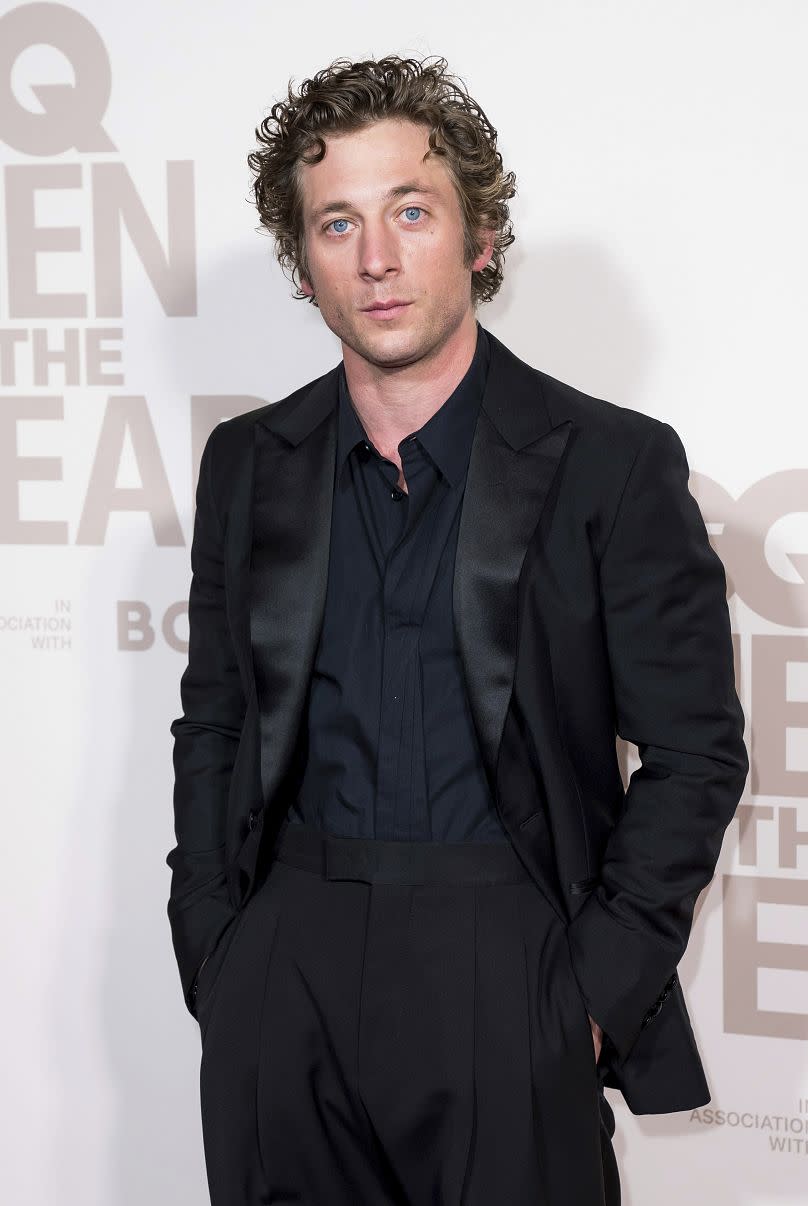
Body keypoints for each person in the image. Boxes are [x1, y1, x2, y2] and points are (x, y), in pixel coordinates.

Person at [165, 53, 748, 1206]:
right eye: (336, 224)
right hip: (286, 967)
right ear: (304, 264)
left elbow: (694, 755)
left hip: (509, 964)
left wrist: (583, 998)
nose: (376, 258)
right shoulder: (248, 463)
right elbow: (216, 719)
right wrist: (217, 948)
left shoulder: (612, 465)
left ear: (479, 239)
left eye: (410, 212)